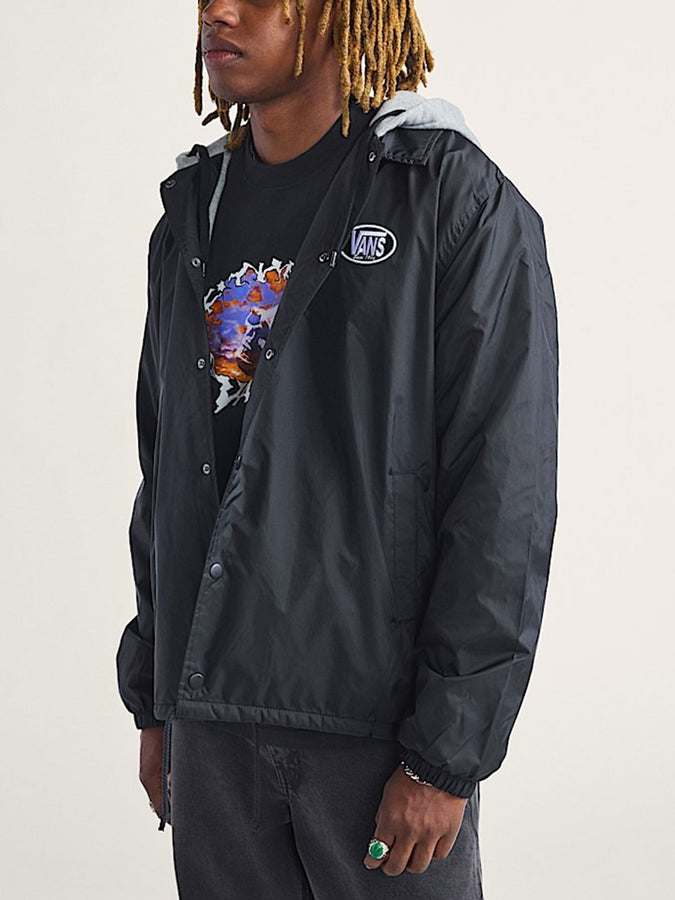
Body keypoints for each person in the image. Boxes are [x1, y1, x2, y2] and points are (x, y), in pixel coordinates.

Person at [115, 1, 559, 897]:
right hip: (210, 727)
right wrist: (157, 700)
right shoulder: (191, 210)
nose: (218, 11)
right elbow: (165, 468)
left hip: (374, 735)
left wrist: (445, 755)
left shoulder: (446, 195)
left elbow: (501, 493)